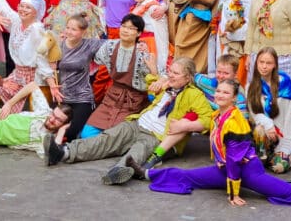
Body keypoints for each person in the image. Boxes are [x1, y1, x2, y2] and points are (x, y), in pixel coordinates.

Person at [126, 79, 291, 207]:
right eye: (218, 91)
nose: (220, 95)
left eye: (226, 93)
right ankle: (145, 173)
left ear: (234, 98)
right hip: (226, 169)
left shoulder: (236, 122)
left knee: (288, 192)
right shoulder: (218, 115)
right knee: (188, 176)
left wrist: (234, 194)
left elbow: (235, 160)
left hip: (247, 172)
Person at [44, 57, 213, 187]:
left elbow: (208, 119)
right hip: (137, 123)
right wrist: (157, 75)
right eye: (170, 71)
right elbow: (151, 83)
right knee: (107, 138)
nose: (171, 75)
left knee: (137, 152)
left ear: (188, 77)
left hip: (156, 136)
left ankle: (119, 171)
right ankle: (64, 152)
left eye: (176, 73)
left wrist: (186, 125)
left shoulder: (194, 95)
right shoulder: (166, 86)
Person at [79, 14, 158, 139]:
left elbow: (153, 79)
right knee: (87, 134)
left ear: (139, 33)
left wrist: (154, 71)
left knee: (116, 136)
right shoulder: (110, 46)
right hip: (111, 98)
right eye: (124, 26)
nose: (125, 30)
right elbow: (92, 56)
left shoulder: (143, 53)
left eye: (131, 28)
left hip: (133, 101)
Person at [0, 0, 55, 116]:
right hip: (17, 75)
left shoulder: (37, 30)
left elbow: (43, 58)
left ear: (35, 12)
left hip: (35, 78)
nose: (23, 9)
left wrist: (50, 81)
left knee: (35, 115)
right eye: (21, 6)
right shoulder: (17, 22)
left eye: (28, 7)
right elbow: (6, 10)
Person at [246, 47, 291, 174]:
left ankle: (283, 155)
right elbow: (255, 114)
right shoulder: (251, 86)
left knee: (279, 168)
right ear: (256, 63)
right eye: (261, 62)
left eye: (268, 63)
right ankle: (263, 156)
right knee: (259, 129)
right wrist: (269, 125)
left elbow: (289, 117)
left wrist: (284, 147)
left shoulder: (285, 83)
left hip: (282, 132)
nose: (264, 66)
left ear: (275, 65)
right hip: (264, 131)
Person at [213, 0, 257, 77]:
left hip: (237, 44)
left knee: (235, 77)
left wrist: (230, 33)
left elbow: (250, 23)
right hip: (222, 39)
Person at [131, 0, 170, 76]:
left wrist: (162, 64)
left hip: (151, 48)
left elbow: (162, 36)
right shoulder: (140, 4)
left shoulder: (154, 9)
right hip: (141, 45)